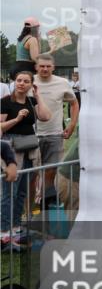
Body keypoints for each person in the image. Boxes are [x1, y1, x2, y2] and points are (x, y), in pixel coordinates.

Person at [1, 69, 52, 248]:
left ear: (31, 85)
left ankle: (15, 227)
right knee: (10, 191)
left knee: (22, 191)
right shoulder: (6, 102)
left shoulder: (31, 101)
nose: (22, 83)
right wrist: (16, 119)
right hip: (11, 148)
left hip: (29, 148)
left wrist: (38, 96)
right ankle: (4, 232)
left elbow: (45, 116)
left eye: (26, 81)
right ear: (15, 82)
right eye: (19, 80)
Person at [34, 54, 78, 213]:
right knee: (30, 174)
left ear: (53, 67)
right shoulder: (28, 82)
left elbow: (74, 103)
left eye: (48, 66)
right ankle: (31, 203)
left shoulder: (62, 83)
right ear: (36, 67)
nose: (45, 69)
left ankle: (45, 203)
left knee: (51, 170)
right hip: (31, 136)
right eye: (41, 66)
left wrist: (72, 124)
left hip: (54, 134)